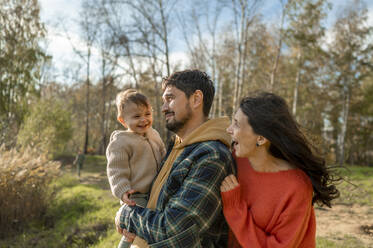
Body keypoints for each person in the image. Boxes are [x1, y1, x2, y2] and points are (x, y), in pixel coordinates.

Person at [115, 69, 234, 247]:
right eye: (163, 101)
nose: (163, 108)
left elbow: (173, 229)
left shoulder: (211, 155)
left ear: (196, 99)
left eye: (170, 99)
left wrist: (126, 215)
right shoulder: (177, 147)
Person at [220, 92, 340, 248]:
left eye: (237, 124)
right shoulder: (236, 159)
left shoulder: (297, 187)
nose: (229, 129)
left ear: (261, 139)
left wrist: (235, 209)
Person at [106, 89, 166, 248]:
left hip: (157, 191)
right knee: (133, 232)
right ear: (122, 120)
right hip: (136, 195)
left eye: (147, 114)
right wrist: (122, 190)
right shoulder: (121, 142)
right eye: (137, 116)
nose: (144, 120)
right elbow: (116, 170)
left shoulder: (154, 134)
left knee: (153, 230)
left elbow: (164, 155)